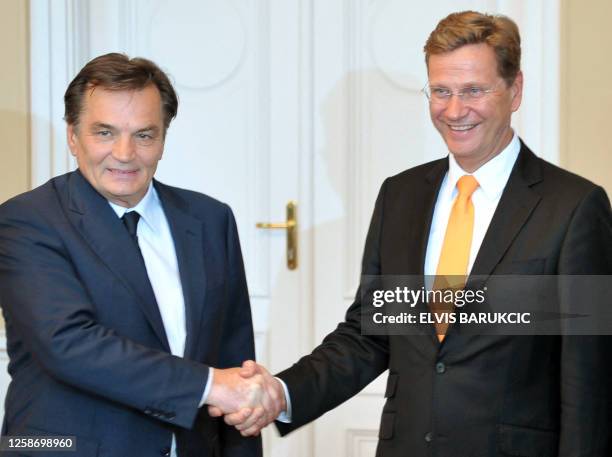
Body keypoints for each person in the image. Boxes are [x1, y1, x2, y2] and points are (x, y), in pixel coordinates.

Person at [211, 10, 612, 456]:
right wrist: (282, 394)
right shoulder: (401, 196)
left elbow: (588, 380)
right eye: (440, 91)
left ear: (515, 90)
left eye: (473, 91)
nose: (454, 110)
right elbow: (370, 333)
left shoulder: (574, 207)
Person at [0, 53, 270, 457]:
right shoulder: (26, 220)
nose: (125, 154)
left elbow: (234, 355)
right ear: (73, 136)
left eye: (144, 135)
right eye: (104, 133)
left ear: (163, 138)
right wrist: (212, 386)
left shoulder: (210, 219)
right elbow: (69, 343)